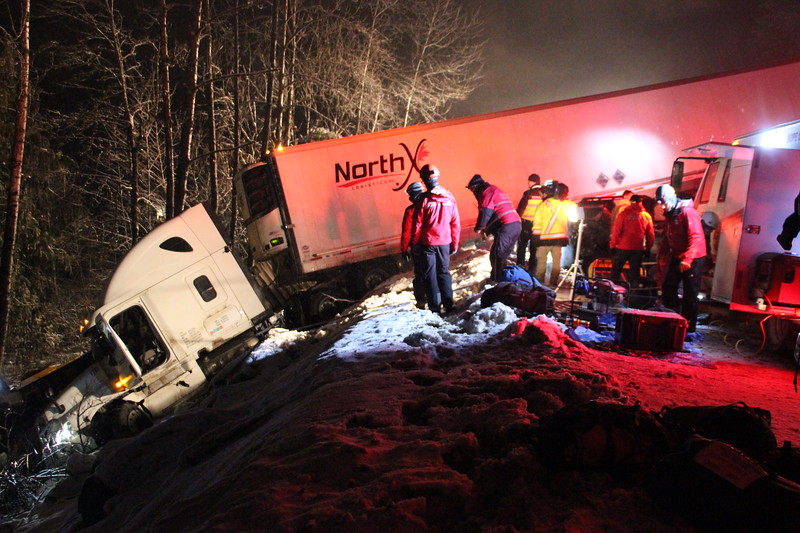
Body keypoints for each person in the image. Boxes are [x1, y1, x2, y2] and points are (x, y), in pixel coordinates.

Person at [655, 184, 707, 332]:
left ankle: (689, 326)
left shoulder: (687, 213)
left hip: (694, 257)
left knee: (690, 292)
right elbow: (668, 234)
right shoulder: (672, 214)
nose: (663, 207)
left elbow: (696, 237)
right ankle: (672, 318)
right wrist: (663, 251)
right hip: (679, 255)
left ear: (671, 199)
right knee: (668, 287)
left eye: (664, 203)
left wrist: (688, 259)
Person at [412, 164, 460, 315]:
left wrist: (414, 243)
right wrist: (455, 242)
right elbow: (455, 222)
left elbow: (417, 225)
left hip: (428, 243)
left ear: (425, 180)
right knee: (444, 273)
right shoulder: (449, 197)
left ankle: (435, 308)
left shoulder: (424, 200)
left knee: (430, 275)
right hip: (445, 242)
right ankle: (449, 305)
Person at [466, 174, 522, 282]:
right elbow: (495, 215)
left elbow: (486, 213)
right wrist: (487, 230)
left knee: (497, 255)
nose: (473, 193)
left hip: (508, 225)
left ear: (476, 186)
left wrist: (479, 227)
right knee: (502, 255)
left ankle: (498, 281)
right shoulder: (494, 190)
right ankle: (504, 279)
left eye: (472, 189)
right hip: (516, 224)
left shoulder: (486, 192)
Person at [531, 180, 577, 286]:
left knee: (541, 263)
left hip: (543, 240)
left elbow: (537, 223)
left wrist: (535, 238)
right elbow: (575, 209)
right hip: (558, 240)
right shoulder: (566, 204)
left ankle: (539, 284)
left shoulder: (542, 206)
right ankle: (553, 284)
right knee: (556, 264)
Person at [609, 194, 654, 286]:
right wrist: (648, 248)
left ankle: (612, 292)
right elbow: (650, 235)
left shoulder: (624, 214)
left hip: (623, 247)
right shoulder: (646, 216)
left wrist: (612, 245)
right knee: (635, 273)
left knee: (616, 271)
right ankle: (634, 294)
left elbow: (616, 231)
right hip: (638, 248)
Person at [400, 182, 426, 309]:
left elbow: (406, 232)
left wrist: (404, 250)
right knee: (437, 273)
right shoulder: (432, 204)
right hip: (436, 243)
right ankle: (439, 299)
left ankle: (421, 302)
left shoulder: (411, 210)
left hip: (418, 247)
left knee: (420, 275)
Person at [516, 173, 542, 275]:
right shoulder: (544, 194)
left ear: (532, 182)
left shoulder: (528, 193)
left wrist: (517, 220)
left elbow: (521, 209)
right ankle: (532, 271)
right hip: (538, 226)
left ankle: (520, 267)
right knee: (534, 248)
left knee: (522, 246)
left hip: (526, 224)